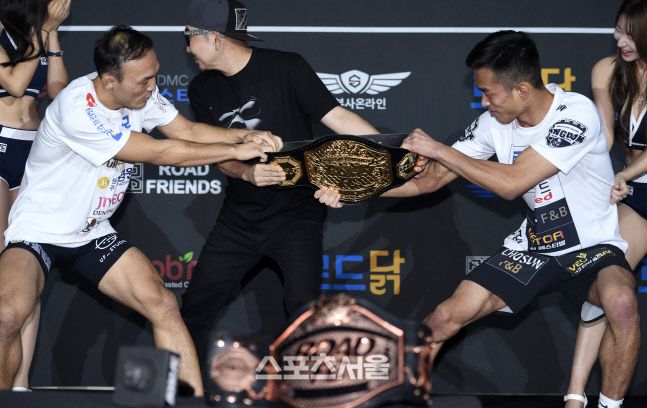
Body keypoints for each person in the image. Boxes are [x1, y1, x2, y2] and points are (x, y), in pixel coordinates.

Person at [0, 25, 283, 394]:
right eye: (144, 80)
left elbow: (188, 132)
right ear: (109, 81)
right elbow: (162, 153)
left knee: (162, 304)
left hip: (91, 233)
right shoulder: (77, 109)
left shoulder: (140, 96)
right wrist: (235, 151)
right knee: (7, 315)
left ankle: (191, 402)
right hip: (38, 230)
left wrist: (244, 135)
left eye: (154, 76)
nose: (152, 87)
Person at [383, 30, 640, 408]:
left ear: (521, 90)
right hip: (536, 246)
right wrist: (354, 190)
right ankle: (400, 399)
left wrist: (437, 148)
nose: (484, 102)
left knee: (621, 302)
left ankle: (609, 405)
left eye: (489, 93)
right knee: (442, 320)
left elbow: (512, 182)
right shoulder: (492, 124)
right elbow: (429, 181)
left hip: (593, 247)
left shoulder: (575, 113)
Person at [180, 0, 378, 366]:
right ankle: (184, 389)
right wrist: (246, 173)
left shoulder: (287, 68)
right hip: (238, 221)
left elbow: (338, 118)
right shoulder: (201, 89)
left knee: (304, 316)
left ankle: (305, 390)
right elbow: (216, 154)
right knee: (194, 308)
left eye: (190, 36)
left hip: (297, 218)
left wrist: (389, 156)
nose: (187, 46)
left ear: (215, 39)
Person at [564, 1, 647, 407]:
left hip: (631, 180)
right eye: (617, 30)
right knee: (605, 288)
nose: (619, 39)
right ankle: (575, 395)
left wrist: (623, 175)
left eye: (629, 33)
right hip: (639, 193)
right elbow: (605, 135)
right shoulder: (607, 70)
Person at [0, 0, 70, 391]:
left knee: (26, 270)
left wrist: (50, 32)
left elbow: (57, 89)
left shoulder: (41, 31)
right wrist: (44, 31)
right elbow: (13, 84)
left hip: (32, 153)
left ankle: (21, 385)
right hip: (0, 145)